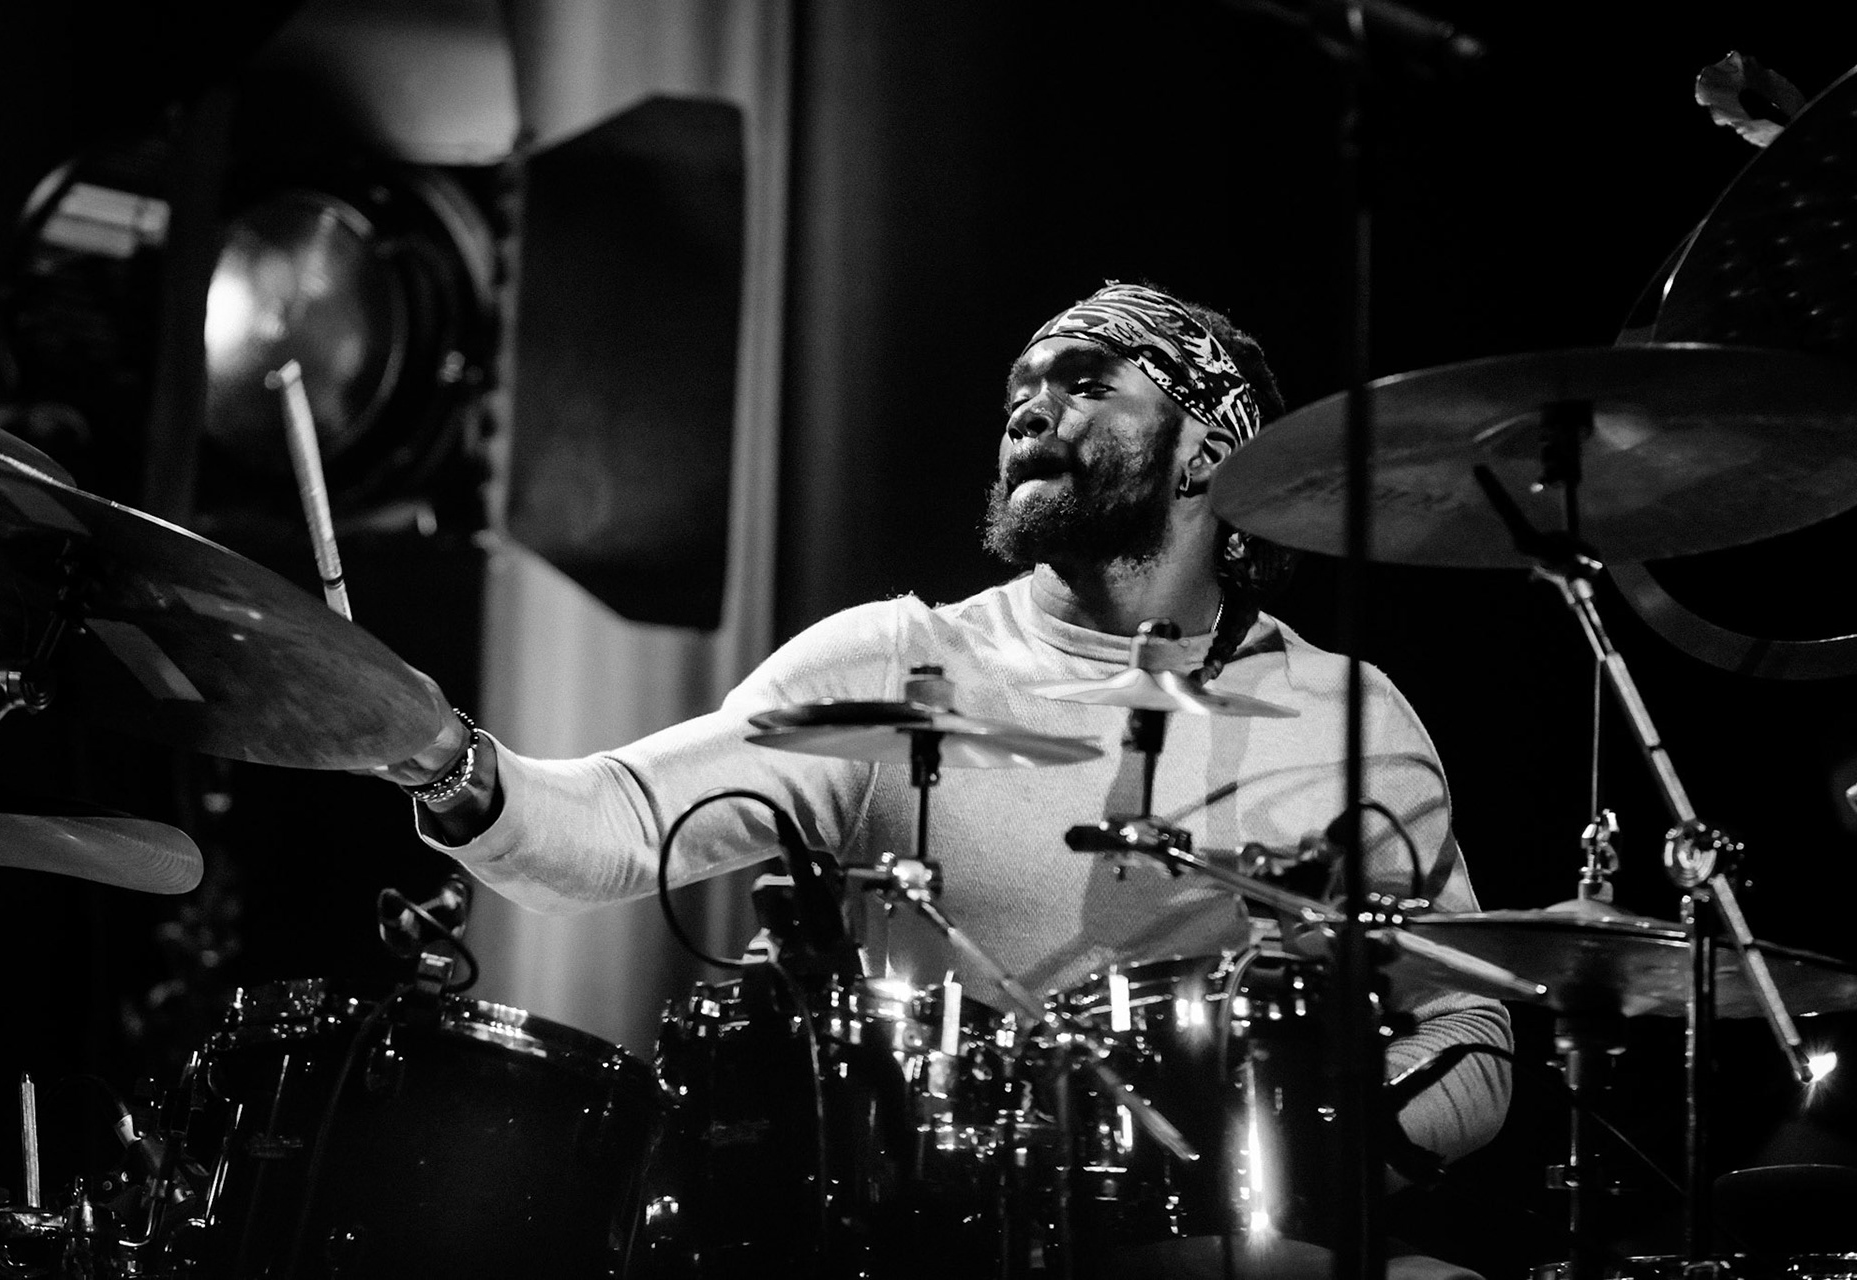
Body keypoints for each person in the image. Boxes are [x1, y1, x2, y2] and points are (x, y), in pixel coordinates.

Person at [380, 280, 1511, 1256]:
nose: (1030, 408)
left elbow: (1469, 1026)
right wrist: (441, 754)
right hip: (926, 1243)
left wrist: (1303, 1170)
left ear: (1208, 451)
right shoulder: (898, 663)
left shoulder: (1342, 716)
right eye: (1023, 387)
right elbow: (615, 825)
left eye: (1085, 383)